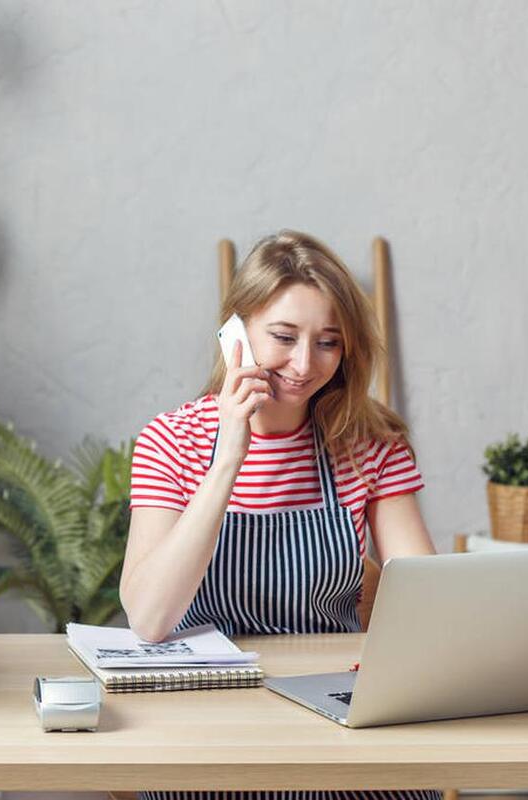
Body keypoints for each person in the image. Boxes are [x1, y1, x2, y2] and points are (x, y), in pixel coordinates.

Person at [121, 230, 439, 800]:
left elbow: (428, 604)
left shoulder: (371, 444)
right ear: (236, 333)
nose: (303, 364)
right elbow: (149, 618)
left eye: (328, 343)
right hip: (205, 721)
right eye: (284, 337)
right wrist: (228, 459)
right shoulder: (170, 441)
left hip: (336, 716)